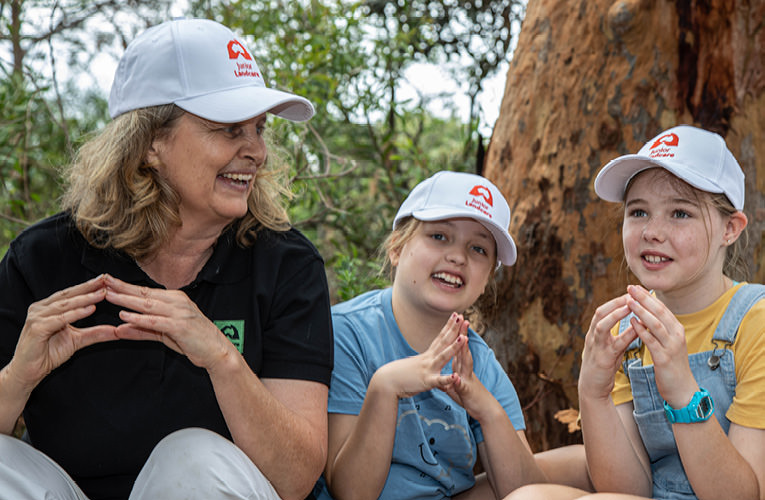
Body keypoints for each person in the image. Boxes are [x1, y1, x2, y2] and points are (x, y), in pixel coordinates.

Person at [0, 18, 333, 500]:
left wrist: (222, 358)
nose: (257, 151)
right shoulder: (43, 258)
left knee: (193, 459)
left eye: (259, 129)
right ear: (151, 143)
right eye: (229, 129)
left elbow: (297, 477)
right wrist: (19, 375)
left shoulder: (285, 265)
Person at [506, 125, 765, 500]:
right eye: (639, 211)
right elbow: (625, 489)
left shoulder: (754, 322)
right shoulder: (629, 328)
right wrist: (593, 392)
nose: (652, 231)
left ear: (730, 228)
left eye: (680, 213)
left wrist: (682, 391)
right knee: (527, 497)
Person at [313, 171, 548, 500]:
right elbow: (351, 493)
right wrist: (386, 386)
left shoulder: (476, 358)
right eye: (439, 236)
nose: (457, 256)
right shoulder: (348, 334)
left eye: (478, 248)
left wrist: (486, 409)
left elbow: (525, 493)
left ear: (486, 282)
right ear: (397, 247)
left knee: (579, 465)